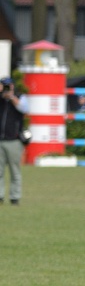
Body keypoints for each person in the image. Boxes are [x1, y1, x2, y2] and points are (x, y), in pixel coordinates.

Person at [0, 77, 30, 205]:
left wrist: (12, 97)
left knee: (15, 171)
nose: (6, 88)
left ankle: (15, 197)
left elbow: (24, 109)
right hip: (0, 140)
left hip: (14, 141)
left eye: (8, 85)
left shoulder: (20, 97)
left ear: (13, 86)